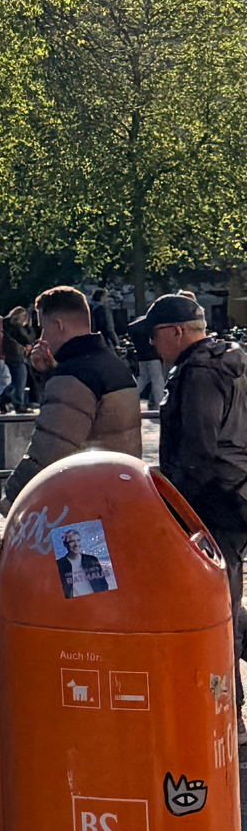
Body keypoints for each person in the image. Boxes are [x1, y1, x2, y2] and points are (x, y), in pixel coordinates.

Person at [151, 292, 247, 713]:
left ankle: (227, 714)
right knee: (225, 600)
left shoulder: (200, 372)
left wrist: (173, 505)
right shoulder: (229, 361)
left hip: (215, 501)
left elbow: (199, 450)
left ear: (175, 332)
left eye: (155, 336)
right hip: (236, 494)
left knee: (218, 608)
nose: (153, 346)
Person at [0, 285, 143, 508]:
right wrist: (50, 373)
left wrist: (12, 498)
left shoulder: (75, 375)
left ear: (59, 324)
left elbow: (50, 448)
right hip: (119, 493)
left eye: (43, 328)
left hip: (83, 503)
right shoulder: (114, 365)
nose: (41, 337)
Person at [1, 306, 33, 412]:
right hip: (17, 356)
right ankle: (18, 404)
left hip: (11, 356)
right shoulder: (15, 327)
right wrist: (29, 328)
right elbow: (27, 338)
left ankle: (2, 399)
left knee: (15, 381)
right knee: (20, 380)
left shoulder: (6, 326)